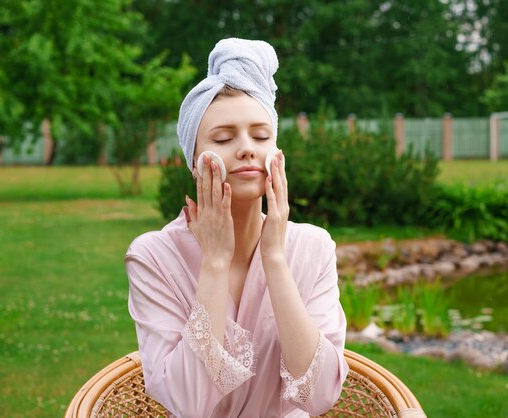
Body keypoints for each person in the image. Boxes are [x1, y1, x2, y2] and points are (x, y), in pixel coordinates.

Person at [125, 38, 348, 418]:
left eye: (261, 136)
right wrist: (214, 262)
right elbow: (188, 402)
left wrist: (275, 259)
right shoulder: (153, 258)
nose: (247, 148)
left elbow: (320, 396)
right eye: (224, 138)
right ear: (194, 161)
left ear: (277, 153)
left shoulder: (313, 248)